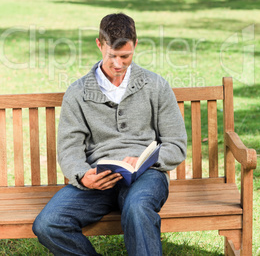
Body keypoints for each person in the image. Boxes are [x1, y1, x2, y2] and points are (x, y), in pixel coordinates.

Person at [33, 13, 187, 256]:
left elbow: (176, 145)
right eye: (111, 56)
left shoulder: (156, 86)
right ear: (99, 45)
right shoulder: (77, 93)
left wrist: (144, 161)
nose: (118, 63)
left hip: (147, 175)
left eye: (125, 56)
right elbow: (69, 148)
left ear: (135, 45)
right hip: (99, 180)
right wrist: (83, 176)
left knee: (138, 208)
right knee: (48, 223)